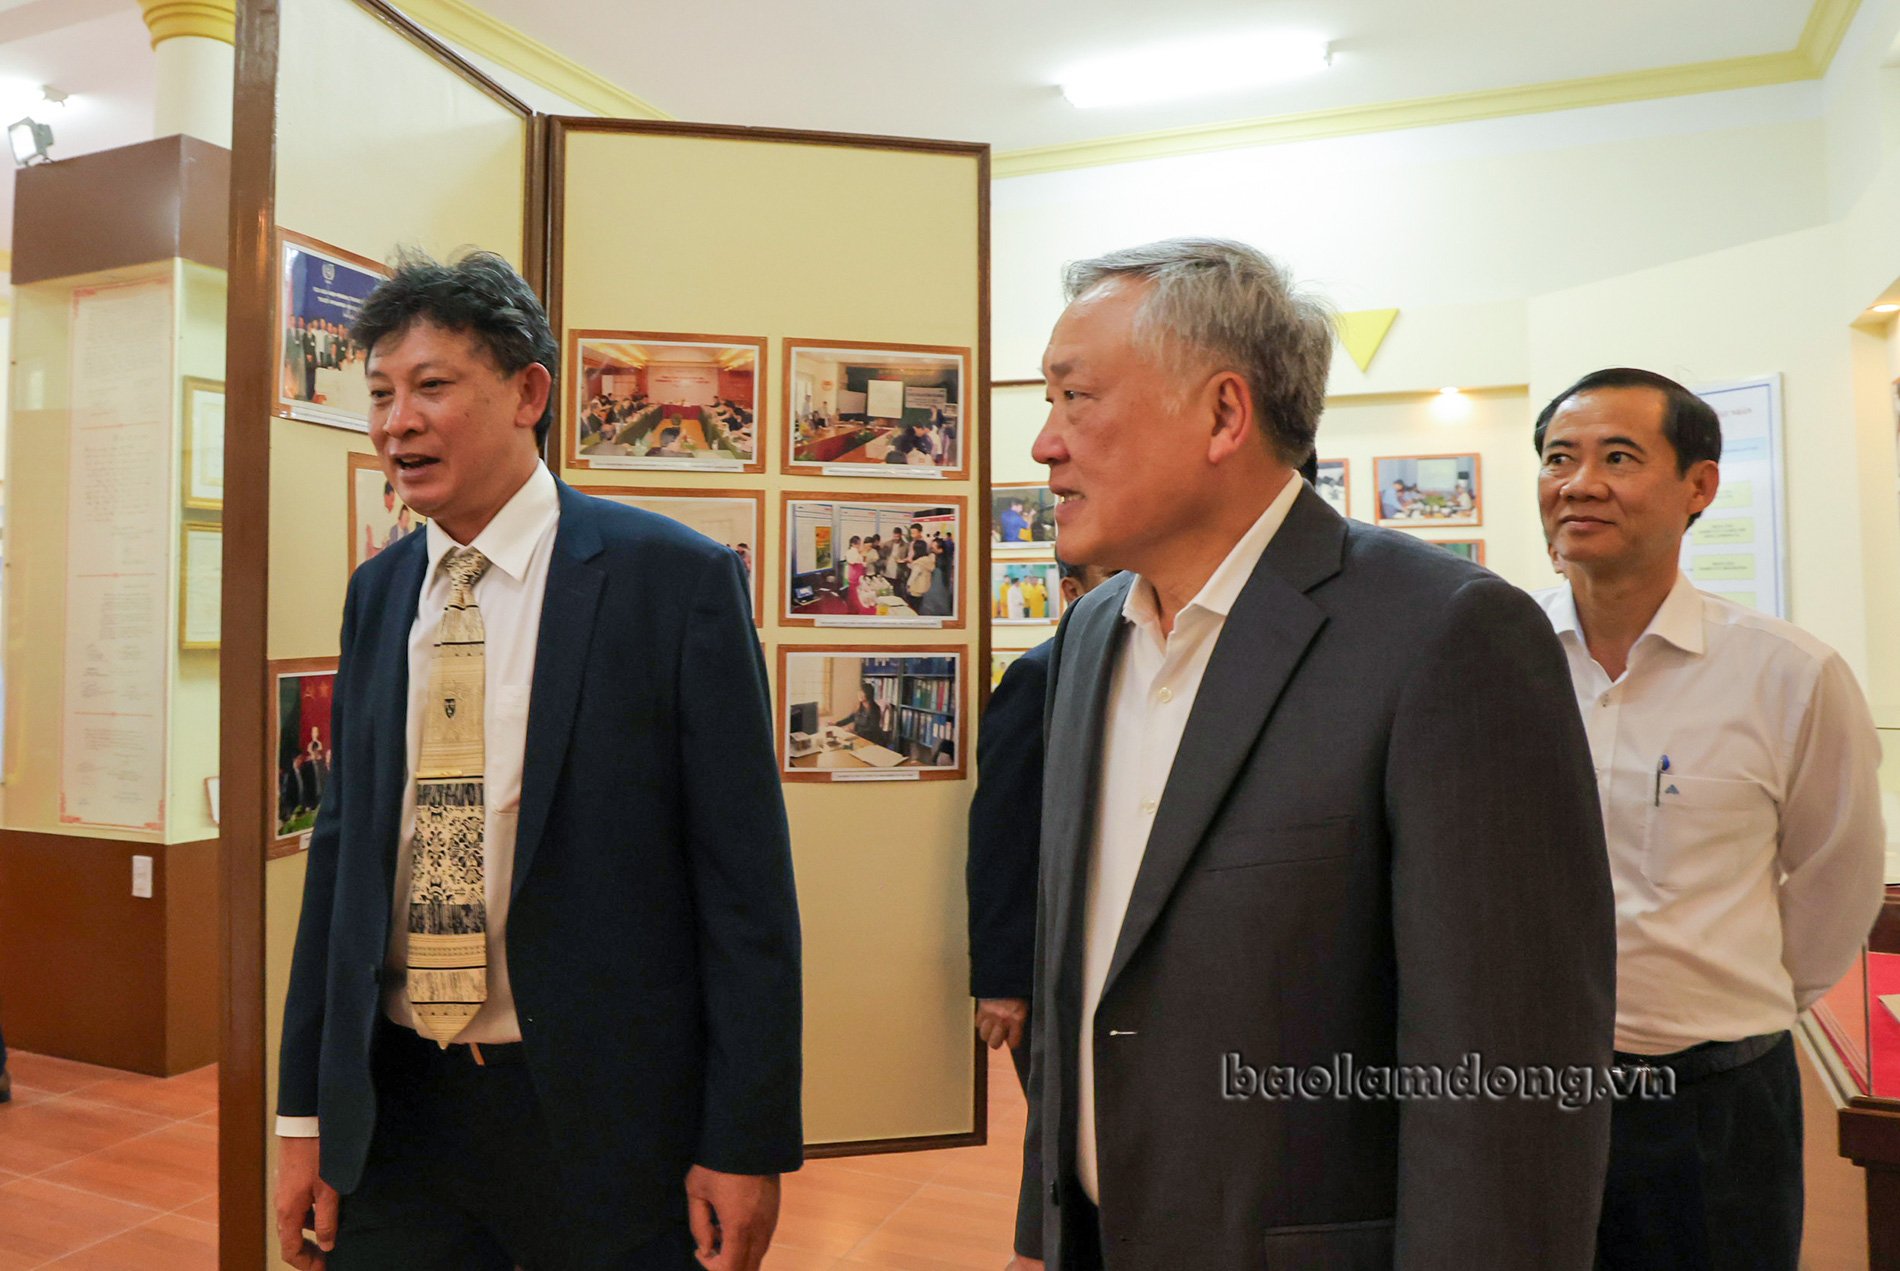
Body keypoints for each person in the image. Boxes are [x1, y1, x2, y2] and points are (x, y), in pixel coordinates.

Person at [1011, 238, 1613, 1270]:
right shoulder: (1087, 635)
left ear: (1222, 415)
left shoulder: (1446, 634)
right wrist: (1046, 1224)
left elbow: (1506, 1075)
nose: (1042, 443)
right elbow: (1085, 974)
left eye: (1075, 398)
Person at [274, 249, 802, 1271]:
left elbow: (745, 888)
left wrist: (743, 1138)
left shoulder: (670, 581)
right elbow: (338, 865)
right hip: (399, 1108)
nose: (396, 422)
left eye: (431, 386)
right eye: (381, 393)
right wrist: (306, 1115)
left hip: (601, 1116)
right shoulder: (382, 592)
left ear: (528, 392)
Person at [1532, 367, 1885, 1271]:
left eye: (1618, 456)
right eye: (1558, 457)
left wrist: (1731, 1004)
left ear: (1700, 486)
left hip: (1716, 1105)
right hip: (1525, 1093)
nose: (1579, 483)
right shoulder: (1495, 660)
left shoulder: (1788, 674)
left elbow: (1835, 881)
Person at [968, 560, 1119, 1092]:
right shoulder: (1038, 677)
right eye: (1118, 578)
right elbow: (1003, 836)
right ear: (1073, 592)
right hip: (1060, 966)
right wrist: (1004, 982)